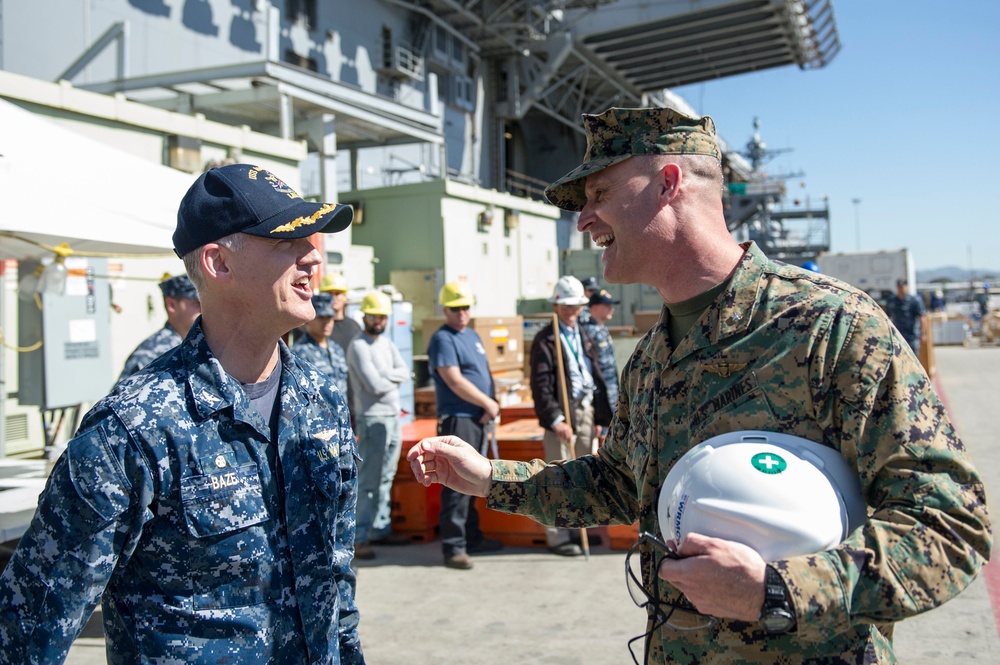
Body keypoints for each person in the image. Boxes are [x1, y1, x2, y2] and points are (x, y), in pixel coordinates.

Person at [407, 107, 991, 663]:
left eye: (599, 195)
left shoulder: (830, 329)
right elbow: (617, 483)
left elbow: (949, 525)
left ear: (668, 183)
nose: (583, 219)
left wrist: (778, 590)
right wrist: (490, 478)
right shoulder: (651, 357)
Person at [0, 163, 364, 663]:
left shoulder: (320, 401)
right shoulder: (134, 430)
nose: (313, 257)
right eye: (287, 241)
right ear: (218, 263)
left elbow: (337, 584)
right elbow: (28, 627)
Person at [529, 275, 612, 557]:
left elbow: (596, 376)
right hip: (562, 414)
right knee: (555, 475)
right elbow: (540, 385)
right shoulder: (546, 339)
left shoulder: (584, 334)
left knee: (585, 473)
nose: (571, 311)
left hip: (586, 409)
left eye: (576, 305)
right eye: (566, 306)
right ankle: (558, 536)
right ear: (555, 305)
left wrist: (602, 418)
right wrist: (555, 419)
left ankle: (580, 528)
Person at [426, 281, 504, 570]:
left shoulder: (471, 335)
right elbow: (454, 379)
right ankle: (454, 547)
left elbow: (483, 373)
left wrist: (489, 403)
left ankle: (472, 537)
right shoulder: (443, 339)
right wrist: (487, 403)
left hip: (477, 418)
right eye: (455, 309)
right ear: (445, 310)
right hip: (458, 419)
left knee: (474, 480)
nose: (461, 314)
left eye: (465, 308)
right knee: (456, 483)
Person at [347, 290, 412, 559]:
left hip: (392, 418)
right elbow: (373, 386)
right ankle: (360, 537)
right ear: (365, 315)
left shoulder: (387, 344)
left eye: (383, 316)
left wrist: (389, 376)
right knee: (369, 480)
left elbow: (406, 372)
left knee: (386, 477)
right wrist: (392, 378)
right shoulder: (358, 346)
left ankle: (380, 528)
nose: (379, 321)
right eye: (374, 315)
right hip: (372, 420)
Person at [117, 272, 201, 381]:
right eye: (197, 304)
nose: (203, 310)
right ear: (171, 305)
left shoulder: (201, 345)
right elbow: (125, 396)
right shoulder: (151, 353)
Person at [291, 292, 349, 397]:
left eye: (329, 317)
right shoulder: (299, 352)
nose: (326, 322)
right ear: (309, 320)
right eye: (321, 317)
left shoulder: (336, 349)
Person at [580, 288, 621, 410]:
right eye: (607, 305)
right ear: (595, 308)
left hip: (612, 390)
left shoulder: (602, 328)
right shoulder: (588, 331)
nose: (611, 309)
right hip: (600, 392)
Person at [322, 272, 362, 356]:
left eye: (337, 293)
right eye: (329, 293)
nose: (333, 297)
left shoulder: (353, 326)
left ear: (344, 297)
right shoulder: (314, 327)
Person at [884, 277, 926, 355]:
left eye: (903, 286)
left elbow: (922, 317)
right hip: (898, 335)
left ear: (907, 286)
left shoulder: (914, 300)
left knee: (913, 359)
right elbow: (888, 317)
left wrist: (922, 333)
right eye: (899, 286)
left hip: (912, 336)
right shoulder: (892, 301)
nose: (901, 289)